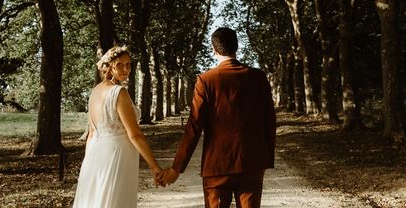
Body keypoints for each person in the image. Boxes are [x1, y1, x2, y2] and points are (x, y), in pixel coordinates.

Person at [158, 27, 276, 208]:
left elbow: (194, 126)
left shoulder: (206, 80)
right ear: (237, 46)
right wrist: (265, 159)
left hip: (216, 166)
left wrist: (177, 168)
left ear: (214, 50)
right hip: (251, 162)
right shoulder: (258, 77)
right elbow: (269, 121)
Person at [73, 45, 162, 208]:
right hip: (117, 156)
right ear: (108, 67)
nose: (125, 69)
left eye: (128, 64)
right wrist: (154, 166)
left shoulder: (94, 92)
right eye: (119, 64)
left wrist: (88, 164)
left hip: (95, 155)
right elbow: (134, 134)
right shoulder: (119, 92)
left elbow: (92, 134)